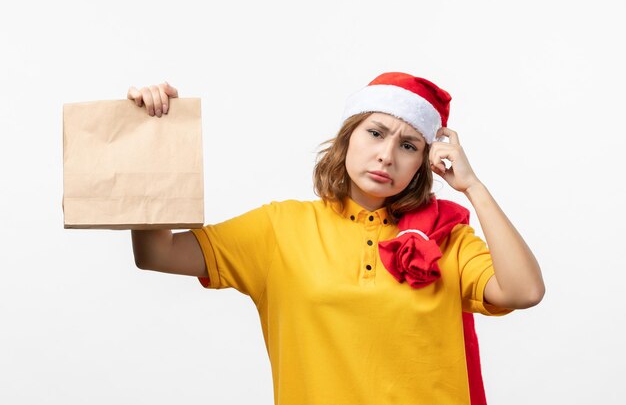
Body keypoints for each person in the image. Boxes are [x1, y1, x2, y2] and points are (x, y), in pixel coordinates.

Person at [128, 73, 545, 405]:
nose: (387, 155)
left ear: (423, 163)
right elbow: (157, 253)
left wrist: (472, 186)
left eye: (409, 145)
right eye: (376, 133)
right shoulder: (279, 228)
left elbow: (524, 290)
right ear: (347, 138)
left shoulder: (447, 239)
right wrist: (151, 139)